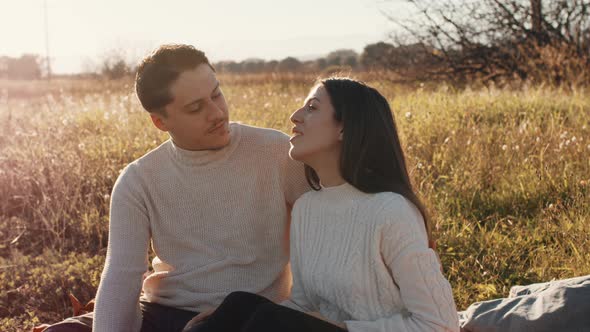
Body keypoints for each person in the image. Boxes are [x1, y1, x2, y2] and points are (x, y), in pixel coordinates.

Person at [43, 44, 308, 332]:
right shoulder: (138, 180)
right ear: (160, 121)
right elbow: (121, 274)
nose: (217, 112)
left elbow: (326, 239)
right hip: (159, 313)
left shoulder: (277, 152)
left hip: (247, 318)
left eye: (216, 94)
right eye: (196, 108)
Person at [184, 77, 460, 332]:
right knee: (237, 306)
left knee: (264, 318)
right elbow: (302, 305)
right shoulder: (306, 209)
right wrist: (232, 320)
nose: (295, 117)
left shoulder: (390, 211)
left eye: (312, 108)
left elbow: (440, 324)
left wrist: (343, 327)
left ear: (345, 127)